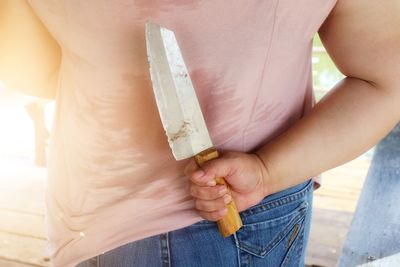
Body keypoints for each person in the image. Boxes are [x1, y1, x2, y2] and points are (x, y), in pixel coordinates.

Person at [1, 0, 399, 266]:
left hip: (112, 209)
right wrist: (265, 170)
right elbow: (385, 79)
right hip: (243, 211)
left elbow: (31, 69)